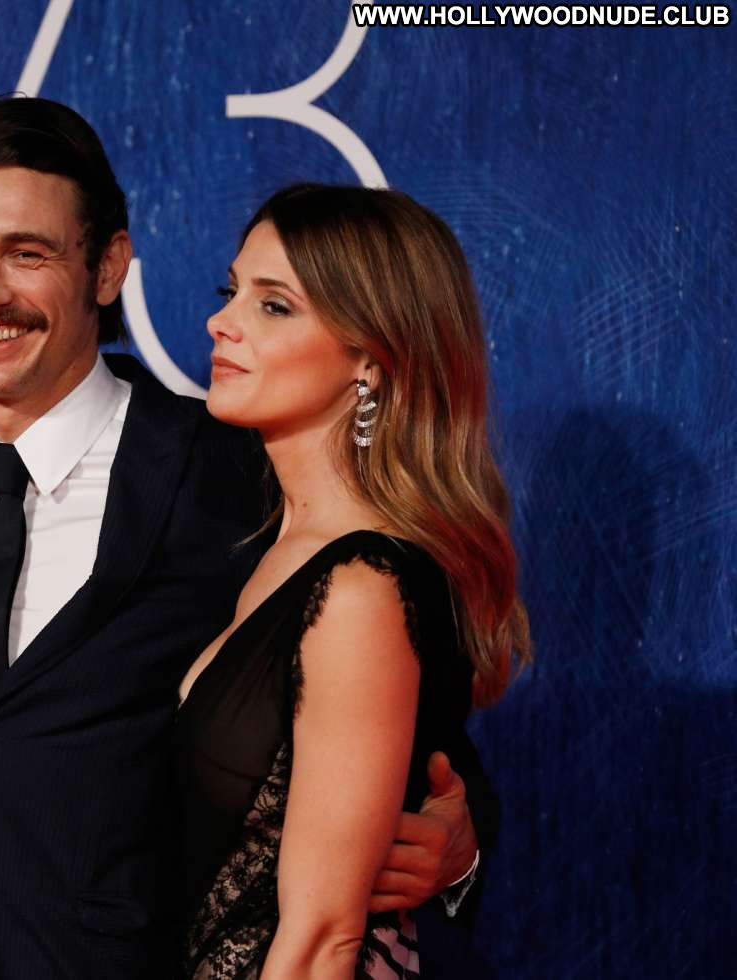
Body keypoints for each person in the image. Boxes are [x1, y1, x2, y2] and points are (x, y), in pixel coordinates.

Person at [0, 98, 490, 979]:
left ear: (107, 267)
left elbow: (392, 714)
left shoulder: (238, 479)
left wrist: (461, 840)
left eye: (27, 254)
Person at [176, 183, 532, 978]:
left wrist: (463, 848)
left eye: (274, 305)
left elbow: (322, 940)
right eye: (231, 292)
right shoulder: (278, 544)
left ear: (372, 358)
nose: (221, 322)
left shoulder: (360, 587)